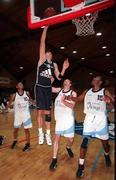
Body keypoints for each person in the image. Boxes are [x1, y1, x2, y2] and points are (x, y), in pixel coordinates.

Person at [67, 76, 114, 178]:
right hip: (88, 119)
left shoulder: (105, 91)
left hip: (101, 120)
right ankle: (81, 166)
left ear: (100, 82)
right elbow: (79, 99)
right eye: (93, 78)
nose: (93, 79)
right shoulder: (87, 91)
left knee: (105, 145)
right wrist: (71, 98)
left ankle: (106, 155)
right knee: (84, 143)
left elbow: (113, 102)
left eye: (96, 79)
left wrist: (109, 100)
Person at [35, 26, 70, 146]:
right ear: (44, 55)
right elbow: (42, 42)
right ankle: (40, 133)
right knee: (40, 112)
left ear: (52, 56)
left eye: (49, 54)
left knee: (48, 113)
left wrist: (64, 69)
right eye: (46, 53)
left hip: (48, 89)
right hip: (39, 87)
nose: (47, 54)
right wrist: (45, 28)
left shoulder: (54, 65)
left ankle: (48, 134)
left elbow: (59, 77)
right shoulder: (41, 61)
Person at [49, 79, 77, 170]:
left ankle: (68, 147)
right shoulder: (59, 90)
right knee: (56, 139)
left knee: (71, 139)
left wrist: (63, 101)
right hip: (59, 120)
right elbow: (48, 88)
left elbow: (72, 106)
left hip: (68, 120)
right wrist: (50, 81)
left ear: (70, 84)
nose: (65, 82)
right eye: (64, 81)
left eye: (67, 81)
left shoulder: (73, 93)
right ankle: (54, 159)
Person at [6, 82, 35, 152]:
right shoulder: (14, 95)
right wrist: (7, 107)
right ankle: (15, 140)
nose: (21, 85)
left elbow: (31, 100)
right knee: (15, 130)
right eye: (19, 84)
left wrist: (34, 103)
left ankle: (28, 144)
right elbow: (9, 103)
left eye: (22, 84)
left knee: (26, 130)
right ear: (17, 87)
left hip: (26, 115)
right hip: (18, 115)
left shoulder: (27, 93)